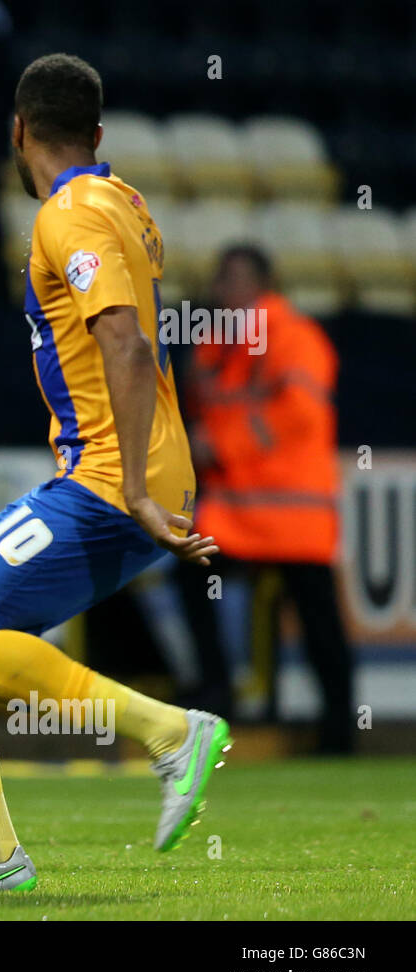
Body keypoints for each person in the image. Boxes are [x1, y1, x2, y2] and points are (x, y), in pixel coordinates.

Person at [0, 54, 230, 893]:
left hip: (114, 477)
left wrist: (135, 492)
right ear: (99, 133)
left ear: (18, 130)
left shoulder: (67, 215)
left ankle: (167, 732)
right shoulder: (122, 201)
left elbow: (126, 338)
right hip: (126, 470)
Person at [176, 244, 354, 753]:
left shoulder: (294, 337)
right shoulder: (213, 345)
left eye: (232, 279)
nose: (221, 290)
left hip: (293, 509)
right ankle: (218, 693)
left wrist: (221, 445)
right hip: (237, 510)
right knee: (190, 568)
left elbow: (300, 415)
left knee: (319, 620)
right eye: (219, 279)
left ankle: (339, 729)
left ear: (262, 284)